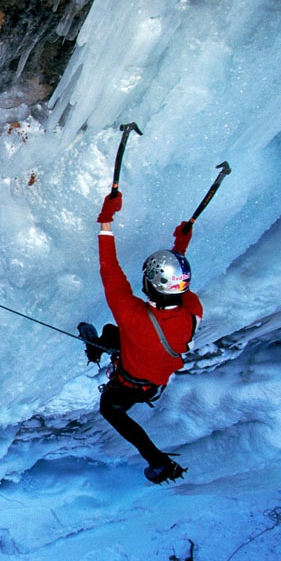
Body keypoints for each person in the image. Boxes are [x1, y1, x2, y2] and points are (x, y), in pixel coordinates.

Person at [90, 191, 203, 484]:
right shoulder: (192, 312)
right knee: (114, 334)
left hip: (129, 379)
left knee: (109, 407)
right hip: (149, 383)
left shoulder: (131, 314)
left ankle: (158, 460)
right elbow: (175, 288)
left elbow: (110, 268)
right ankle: (95, 348)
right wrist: (180, 248)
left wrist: (106, 219)